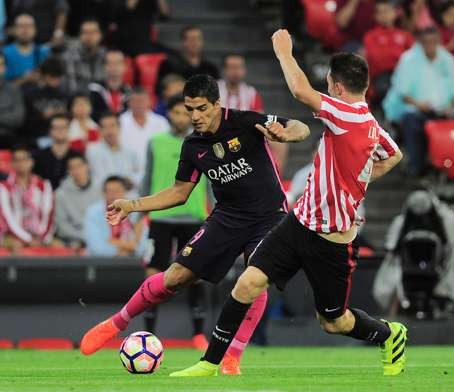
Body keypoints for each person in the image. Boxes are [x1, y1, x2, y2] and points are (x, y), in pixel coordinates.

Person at [170, 31, 406, 378]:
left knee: (334, 322)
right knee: (246, 284)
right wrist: (358, 179)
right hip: (298, 223)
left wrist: (284, 52)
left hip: (333, 239)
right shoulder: (369, 123)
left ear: (337, 86)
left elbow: (299, 91)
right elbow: (394, 154)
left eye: (328, 82)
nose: (326, 88)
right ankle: (209, 363)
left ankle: (391, 334)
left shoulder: (345, 113)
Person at [79, 74, 310, 376]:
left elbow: (301, 126)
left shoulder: (244, 121)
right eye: (190, 109)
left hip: (269, 216)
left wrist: (286, 134)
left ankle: (231, 359)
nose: (195, 116)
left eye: (201, 108)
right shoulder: (193, 146)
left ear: (217, 104)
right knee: (174, 277)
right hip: (228, 217)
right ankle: (117, 322)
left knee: (255, 277)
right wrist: (132, 204)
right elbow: (179, 193)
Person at [140, 95, 209, 349]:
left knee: (195, 273)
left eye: (185, 113)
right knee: (153, 273)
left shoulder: (203, 142)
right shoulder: (155, 143)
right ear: (169, 114)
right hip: (160, 217)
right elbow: (147, 179)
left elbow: (210, 181)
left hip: (193, 216)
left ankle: (198, 334)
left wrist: (213, 210)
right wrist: (140, 214)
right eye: (177, 112)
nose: (182, 117)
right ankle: (148, 334)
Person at [373, 190, 454, 318]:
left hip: (444, 270)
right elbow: (391, 249)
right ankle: (390, 329)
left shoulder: (448, 219)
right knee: (393, 280)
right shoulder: (401, 222)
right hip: (407, 273)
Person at [383, 27, 454, 176]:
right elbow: (402, 92)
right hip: (418, 109)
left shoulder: (448, 59)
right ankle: (417, 167)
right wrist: (419, 105)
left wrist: (451, 106)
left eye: (434, 42)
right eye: (427, 42)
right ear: (420, 43)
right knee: (411, 121)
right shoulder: (409, 59)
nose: (430, 45)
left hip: (445, 110)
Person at [0, 145, 54, 252]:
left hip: (39, 236)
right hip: (13, 236)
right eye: (17, 160)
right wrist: (28, 239)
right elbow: (8, 218)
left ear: (31, 162)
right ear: (11, 164)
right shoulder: (4, 187)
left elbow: (48, 214)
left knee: (59, 247)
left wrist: (41, 238)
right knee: (15, 247)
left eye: (24, 159)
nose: (21, 163)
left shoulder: (43, 185)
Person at [364, 0, 414, 104]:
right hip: (382, 76)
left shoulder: (405, 35)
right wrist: (398, 57)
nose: (384, 15)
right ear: (375, 16)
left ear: (395, 13)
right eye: (380, 12)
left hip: (404, 75)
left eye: (387, 11)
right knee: (388, 87)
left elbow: (414, 56)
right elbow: (378, 59)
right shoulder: (371, 36)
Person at [84, 175, 148, 257]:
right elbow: (96, 248)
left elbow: (144, 246)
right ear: (104, 194)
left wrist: (113, 242)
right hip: (101, 263)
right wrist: (125, 250)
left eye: (117, 191)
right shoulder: (93, 213)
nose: (113, 195)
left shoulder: (136, 211)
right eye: (109, 191)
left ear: (125, 191)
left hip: (134, 262)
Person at [155, 26, 219, 96]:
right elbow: (160, 89)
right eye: (191, 39)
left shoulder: (210, 68)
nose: (195, 42)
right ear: (183, 42)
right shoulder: (169, 65)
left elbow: (217, 91)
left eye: (198, 39)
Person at [55, 153, 100, 249]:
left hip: (99, 237)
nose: (76, 171)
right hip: (73, 240)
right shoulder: (61, 194)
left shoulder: (100, 189)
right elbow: (62, 226)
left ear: (87, 166)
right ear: (69, 171)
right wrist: (86, 237)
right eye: (72, 168)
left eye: (79, 166)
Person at [22, 56, 69, 147]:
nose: (56, 80)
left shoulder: (64, 95)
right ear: (43, 75)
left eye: (58, 77)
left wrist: (64, 114)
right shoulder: (29, 95)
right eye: (52, 77)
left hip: (62, 136)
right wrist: (43, 116)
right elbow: (24, 124)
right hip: (37, 137)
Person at [119, 87, 170, 169]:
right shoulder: (120, 122)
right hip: (126, 169)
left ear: (149, 102)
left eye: (142, 101)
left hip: (155, 168)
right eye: (135, 101)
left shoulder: (161, 122)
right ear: (129, 103)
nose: (139, 104)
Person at [86, 113, 141, 188]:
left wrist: (132, 180)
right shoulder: (91, 152)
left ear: (119, 128)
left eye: (112, 126)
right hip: (103, 196)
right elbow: (92, 179)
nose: (109, 131)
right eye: (105, 127)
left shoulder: (131, 151)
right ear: (99, 131)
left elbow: (140, 174)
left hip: (129, 195)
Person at [33, 114, 78, 189]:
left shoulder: (77, 155)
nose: (60, 131)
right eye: (56, 128)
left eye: (63, 127)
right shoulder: (39, 156)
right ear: (50, 131)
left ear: (69, 129)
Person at [3, 14, 50, 85]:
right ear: (14, 30)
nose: (25, 30)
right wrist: (24, 79)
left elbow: (52, 83)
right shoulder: (4, 53)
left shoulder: (44, 52)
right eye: (21, 26)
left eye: (29, 26)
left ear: (35, 30)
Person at [63, 18, 106, 94]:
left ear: (100, 35)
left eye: (93, 32)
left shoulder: (106, 56)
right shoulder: (71, 57)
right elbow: (71, 87)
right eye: (85, 32)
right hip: (79, 101)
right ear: (80, 36)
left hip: (101, 101)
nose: (89, 37)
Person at [89, 50, 131, 122]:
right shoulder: (94, 89)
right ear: (104, 66)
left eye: (118, 63)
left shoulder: (129, 92)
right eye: (110, 63)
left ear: (124, 66)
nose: (114, 67)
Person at [0, 52, 25, 148]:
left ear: (5, 68)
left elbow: (18, 119)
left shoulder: (13, 89)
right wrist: (5, 114)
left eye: (1, 65)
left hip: (8, 139)